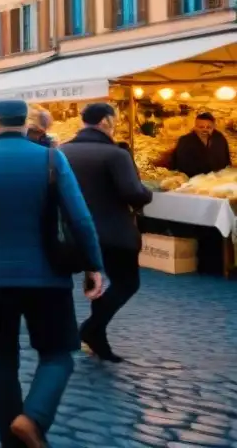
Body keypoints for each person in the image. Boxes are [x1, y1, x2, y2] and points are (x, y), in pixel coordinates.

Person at [0, 99, 104, 448]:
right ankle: (33, 418)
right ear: (25, 123)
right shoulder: (50, 158)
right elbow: (79, 218)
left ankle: (10, 439)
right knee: (59, 353)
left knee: (2, 358)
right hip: (48, 275)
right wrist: (94, 264)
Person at [59, 103, 154, 363]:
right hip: (111, 232)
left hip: (72, 232)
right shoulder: (115, 154)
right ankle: (92, 328)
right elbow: (133, 192)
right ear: (105, 121)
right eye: (115, 119)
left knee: (88, 282)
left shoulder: (62, 151)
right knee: (126, 283)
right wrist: (148, 193)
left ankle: (93, 333)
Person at [168, 111, 231, 178]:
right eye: (201, 127)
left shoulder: (219, 138)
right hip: (191, 180)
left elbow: (226, 160)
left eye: (208, 127)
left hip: (217, 179)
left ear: (213, 127)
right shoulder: (185, 141)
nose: (205, 129)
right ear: (195, 127)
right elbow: (181, 165)